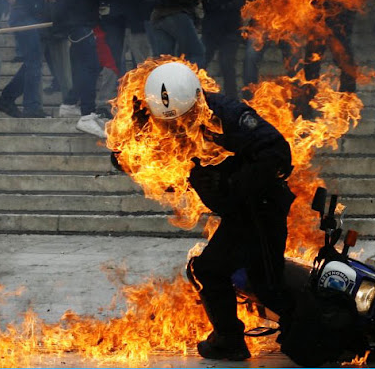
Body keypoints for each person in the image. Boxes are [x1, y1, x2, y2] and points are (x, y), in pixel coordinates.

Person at [117, 61, 295, 360]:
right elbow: (142, 148)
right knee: (254, 279)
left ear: (196, 101)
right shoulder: (164, 116)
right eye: (170, 122)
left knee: (232, 275)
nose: (177, 127)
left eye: (183, 118)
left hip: (259, 208)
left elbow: (277, 153)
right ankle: (276, 332)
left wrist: (232, 184)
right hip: (239, 211)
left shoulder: (230, 115)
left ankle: (247, 338)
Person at [54, 0, 115, 137]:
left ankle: (70, 103)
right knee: (89, 65)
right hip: (80, 19)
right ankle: (87, 115)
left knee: (87, 65)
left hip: (76, 18)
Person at [0, 0, 53, 118]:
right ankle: (30, 106)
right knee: (33, 62)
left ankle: (7, 98)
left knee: (32, 63)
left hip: (29, 15)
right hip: (23, 17)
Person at [149, 0, 208, 68]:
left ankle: (166, 81)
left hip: (160, 15)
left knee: (165, 61)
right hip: (174, 13)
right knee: (196, 54)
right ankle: (191, 81)